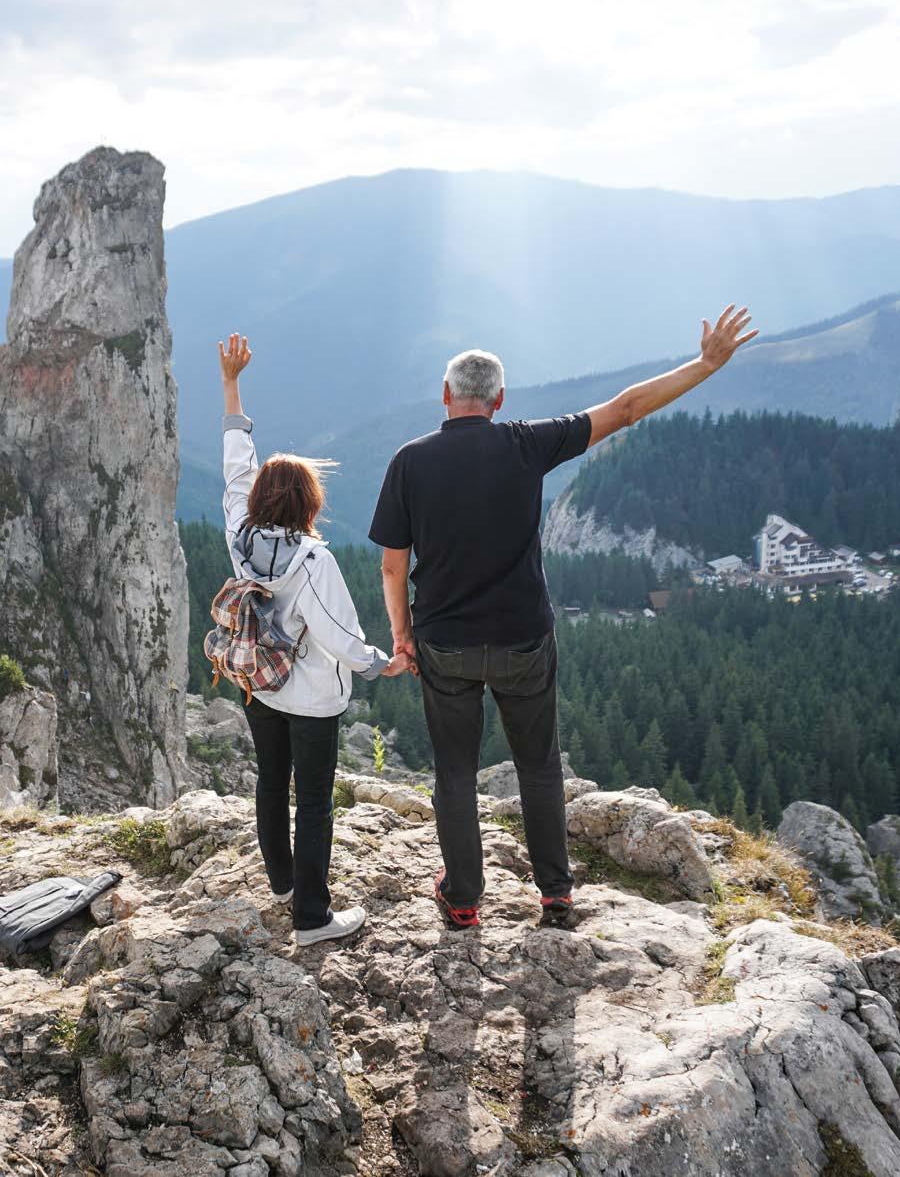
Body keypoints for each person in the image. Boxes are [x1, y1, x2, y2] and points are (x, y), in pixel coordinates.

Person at [369, 307, 757, 930]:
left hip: (445, 642)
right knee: (540, 765)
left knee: (455, 771)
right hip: (524, 636)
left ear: (445, 396)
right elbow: (626, 408)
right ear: (499, 400)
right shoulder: (527, 442)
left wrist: (402, 637)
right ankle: (555, 894)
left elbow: (393, 567)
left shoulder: (410, 461)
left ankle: (463, 899)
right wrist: (708, 364)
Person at [219, 333, 410, 946]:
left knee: (271, 783)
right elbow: (339, 635)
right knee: (316, 802)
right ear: (309, 503)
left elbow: (235, 466)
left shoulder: (237, 533)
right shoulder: (311, 560)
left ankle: (282, 883)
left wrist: (231, 386)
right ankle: (311, 917)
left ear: (257, 500)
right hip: (310, 700)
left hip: (257, 684)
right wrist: (383, 662)